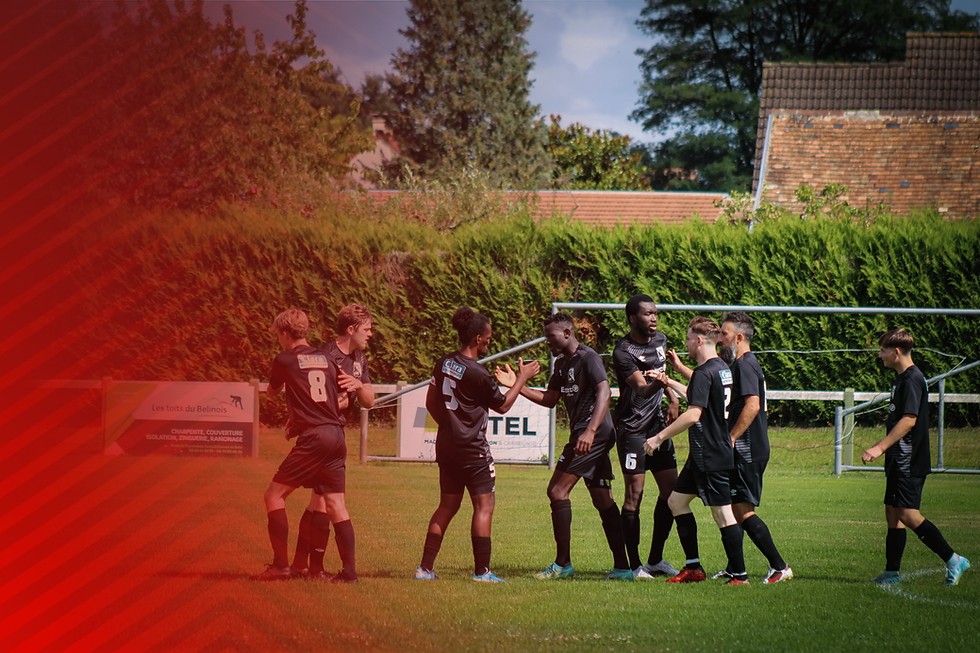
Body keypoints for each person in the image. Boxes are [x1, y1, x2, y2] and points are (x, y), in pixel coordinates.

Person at [497, 312, 633, 581]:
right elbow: (550, 399)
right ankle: (622, 568)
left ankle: (562, 565)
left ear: (568, 333)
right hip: (587, 434)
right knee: (602, 498)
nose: (547, 341)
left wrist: (590, 432)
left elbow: (604, 391)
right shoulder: (560, 364)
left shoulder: (588, 357)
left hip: (592, 433)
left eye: (551, 336)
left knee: (557, 491)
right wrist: (518, 384)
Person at [415, 306, 540, 583]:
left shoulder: (444, 362)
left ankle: (424, 569)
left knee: (446, 506)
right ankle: (482, 573)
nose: (488, 342)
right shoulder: (478, 373)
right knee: (484, 507)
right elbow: (504, 406)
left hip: (446, 447)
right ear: (476, 340)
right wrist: (521, 378)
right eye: (487, 338)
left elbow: (430, 403)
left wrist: (449, 427)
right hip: (473, 450)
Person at [862, 328, 970, 586]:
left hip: (908, 459)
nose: (880, 355)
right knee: (893, 512)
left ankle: (954, 559)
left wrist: (879, 448)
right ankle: (891, 573)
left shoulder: (912, 379)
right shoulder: (902, 378)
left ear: (896, 352)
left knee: (908, 514)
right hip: (899, 458)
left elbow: (909, 420)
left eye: (883, 350)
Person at [645, 317, 749, 585]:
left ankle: (740, 575)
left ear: (700, 340)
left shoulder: (705, 371)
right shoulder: (721, 368)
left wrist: (658, 437)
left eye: (689, 339)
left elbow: (693, 414)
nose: (687, 344)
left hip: (711, 454)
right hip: (703, 455)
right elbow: (696, 394)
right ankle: (693, 567)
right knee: (676, 502)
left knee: (722, 513)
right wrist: (668, 381)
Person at [257, 308, 358, 583]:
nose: (278, 340)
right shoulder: (326, 357)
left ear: (286, 333)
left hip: (315, 438)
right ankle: (349, 574)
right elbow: (341, 391)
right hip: (337, 434)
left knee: (274, 496)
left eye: (278, 334)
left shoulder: (284, 359)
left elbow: (272, 390)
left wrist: (300, 417)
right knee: (336, 504)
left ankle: (280, 566)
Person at [291, 304, 375, 580]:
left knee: (319, 503)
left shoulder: (359, 358)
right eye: (367, 329)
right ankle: (316, 568)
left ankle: (304, 566)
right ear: (350, 330)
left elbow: (369, 401)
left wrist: (358, 384)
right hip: (321, 437)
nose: (371, 334)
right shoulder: (325, 356)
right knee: (325, 503)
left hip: (332, 437)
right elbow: (314, 398)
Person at [611, 295, 681, 579]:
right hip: (632, 431)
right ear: (632, 318)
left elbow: (660, 377)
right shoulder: (623, 351)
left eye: (655, 313)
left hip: (658, 429)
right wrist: (662, 383)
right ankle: (634, 565)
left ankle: (654, 560)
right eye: (647, 314)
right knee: (634, 497)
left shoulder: (661, 340)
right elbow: (641, 388)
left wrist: (672, 397)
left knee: (672, 494)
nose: (654, 318)